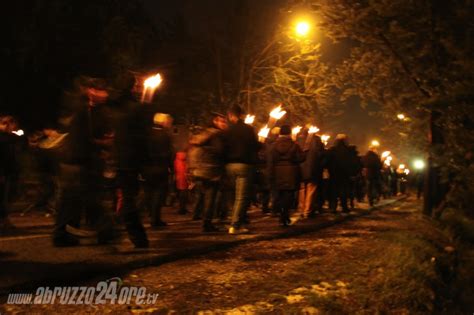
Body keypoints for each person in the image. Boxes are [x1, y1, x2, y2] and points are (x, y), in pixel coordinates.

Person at [53, 78, 115, 246]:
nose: (105, 95)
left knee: (72, 199)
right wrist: (104, 143)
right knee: (85, 198)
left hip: (77, 160)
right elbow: (84, 138)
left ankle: (63, 234)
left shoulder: (87, 109)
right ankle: (105, 230)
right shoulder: (82, 109)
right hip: (78, 160)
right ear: (91, 91)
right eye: (102, 91)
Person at [223, 104, 259, 234]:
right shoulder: (248, 130)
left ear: (231, 116)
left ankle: (236, 221)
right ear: (241, 115)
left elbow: (223, 148)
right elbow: (255, 146)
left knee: (231, 196)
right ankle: (235, 225)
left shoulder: (227, 130)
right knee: (241, 197)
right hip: (244, 166)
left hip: (229, 166)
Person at [188, 113, 226, 232]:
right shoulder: (216, 135)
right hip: (212, 170)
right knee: (210, 197)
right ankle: (207, 223)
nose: (224, 124)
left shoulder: (204, 134)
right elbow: (220, 151)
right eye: (222, 121)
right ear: (215, 122)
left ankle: (201, 217)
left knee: (202, 196)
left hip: (200, 169)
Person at [268, 125, 305, 226]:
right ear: (289, 133)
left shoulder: (273, 145)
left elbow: (270, 160)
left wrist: (270, 174)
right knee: (288, 196)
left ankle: (281, 215)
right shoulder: (294, 145)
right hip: (291, 173)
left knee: (279, 195)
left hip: (277, 173)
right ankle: (285, 215)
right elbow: (301, 158)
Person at [142, 113, 174, 229]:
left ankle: (151, 215)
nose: (170, 124)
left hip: (146, 168)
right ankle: (155, 219)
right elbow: (169, 153)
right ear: (163, 122)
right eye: (169, 122)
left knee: (149, 193)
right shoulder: (164, 136)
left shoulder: (147, 134)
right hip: (160, 168)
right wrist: (170, 166)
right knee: (158, 194)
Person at [298, 133, 325, 218]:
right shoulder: (317, 141)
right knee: (311, 190)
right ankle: (307, 210)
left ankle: (301, 209)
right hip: (313, 169)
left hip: (301, 169)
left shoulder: (299, 140)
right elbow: (320, 155)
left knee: (301, 190)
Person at [327, 134, 354, 213]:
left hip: (334, 173)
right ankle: (344, 206)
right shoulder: (348, 150)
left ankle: (333, 207)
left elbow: (327, 161)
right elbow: (351, 163)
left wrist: (329, 169)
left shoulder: (332, 150)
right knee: (343, 191)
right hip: (344, 174)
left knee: (334, 191)